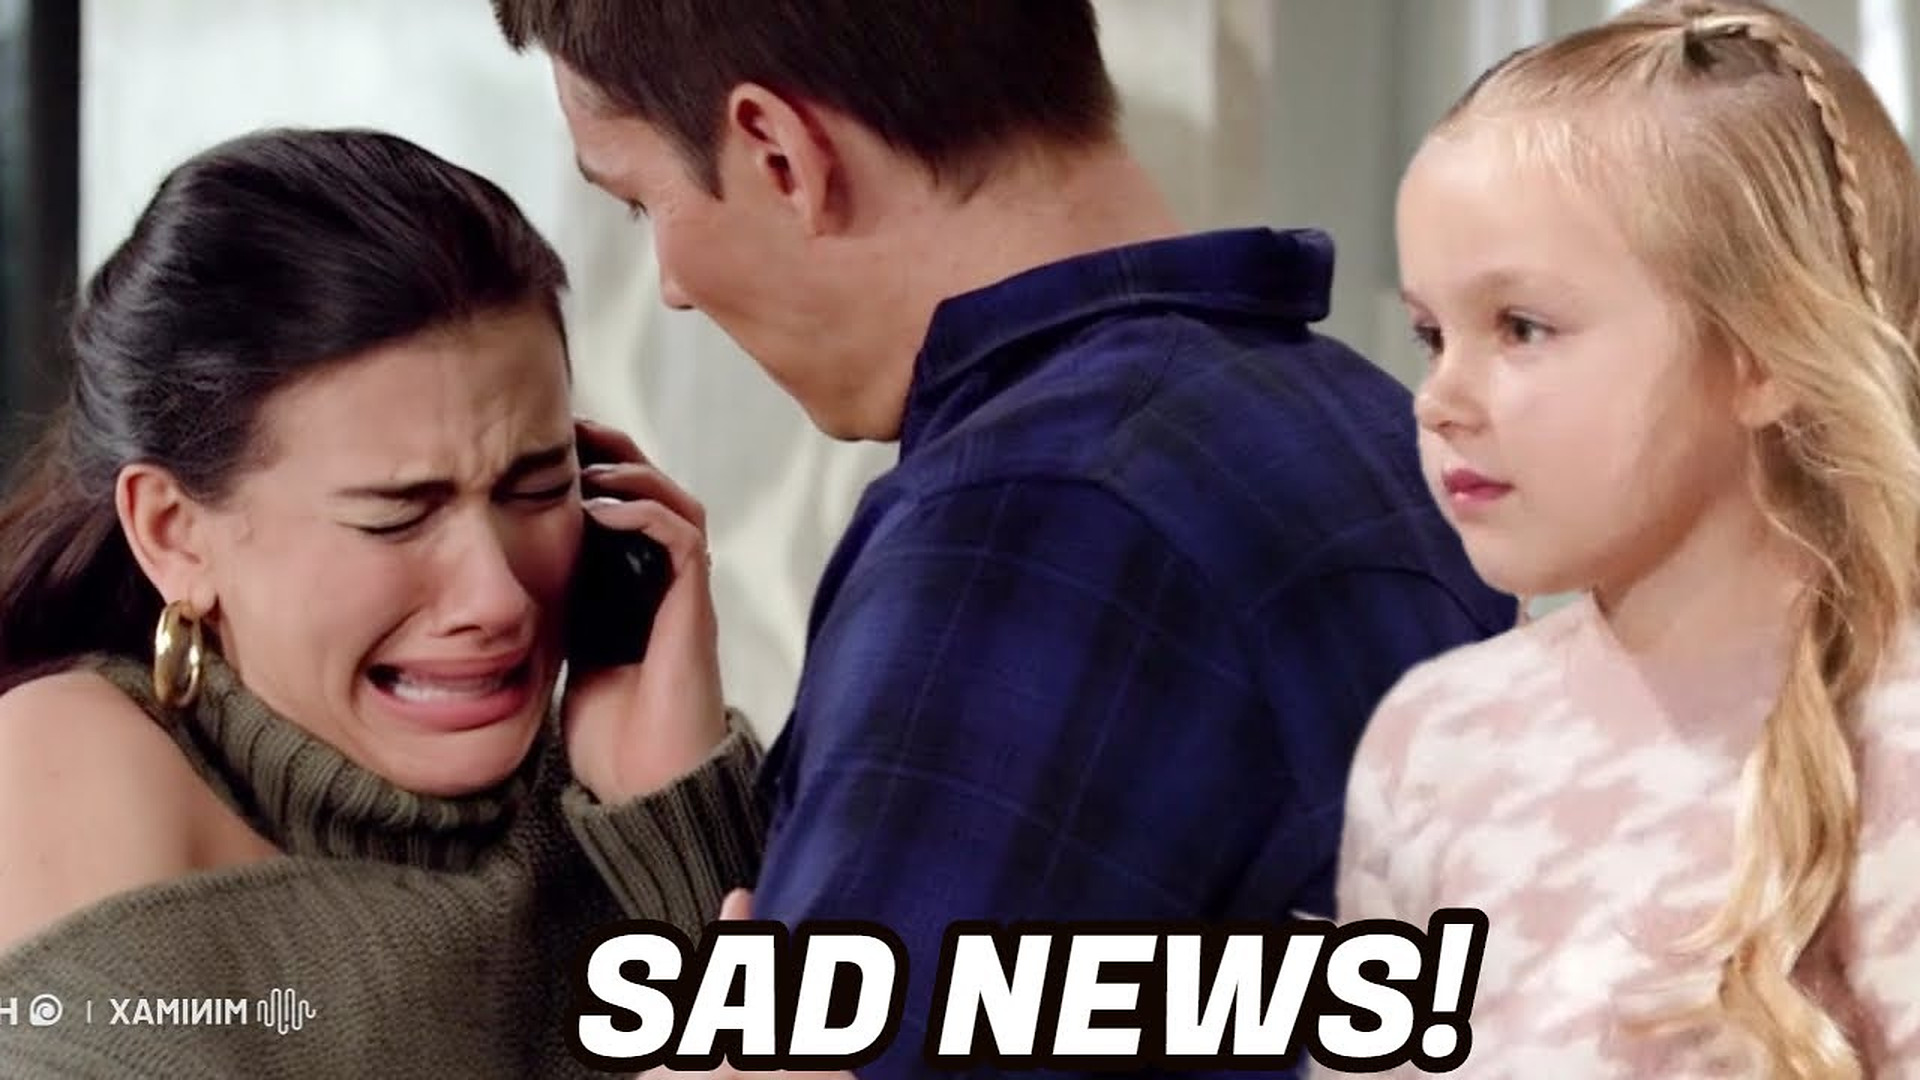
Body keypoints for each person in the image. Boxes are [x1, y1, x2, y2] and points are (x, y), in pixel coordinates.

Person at [493, 3, 1515, 1075]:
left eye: (640, 201)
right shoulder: (1370, 427)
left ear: (779, 154)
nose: (671, 286)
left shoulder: (1036, 513)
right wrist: (680, 806)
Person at [0, 127, 764, 1079]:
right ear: (175, 535)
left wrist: (677, 807)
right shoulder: (63, 763)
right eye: (397, 517)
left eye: (537, 489)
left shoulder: (622, 794)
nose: (498, 597)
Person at [1334, 1, 1920, 1076]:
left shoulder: (1900, 755)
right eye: (1430, 334)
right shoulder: (1431, 741)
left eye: (1522, 327)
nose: (1440, 400)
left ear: (1760, 355)